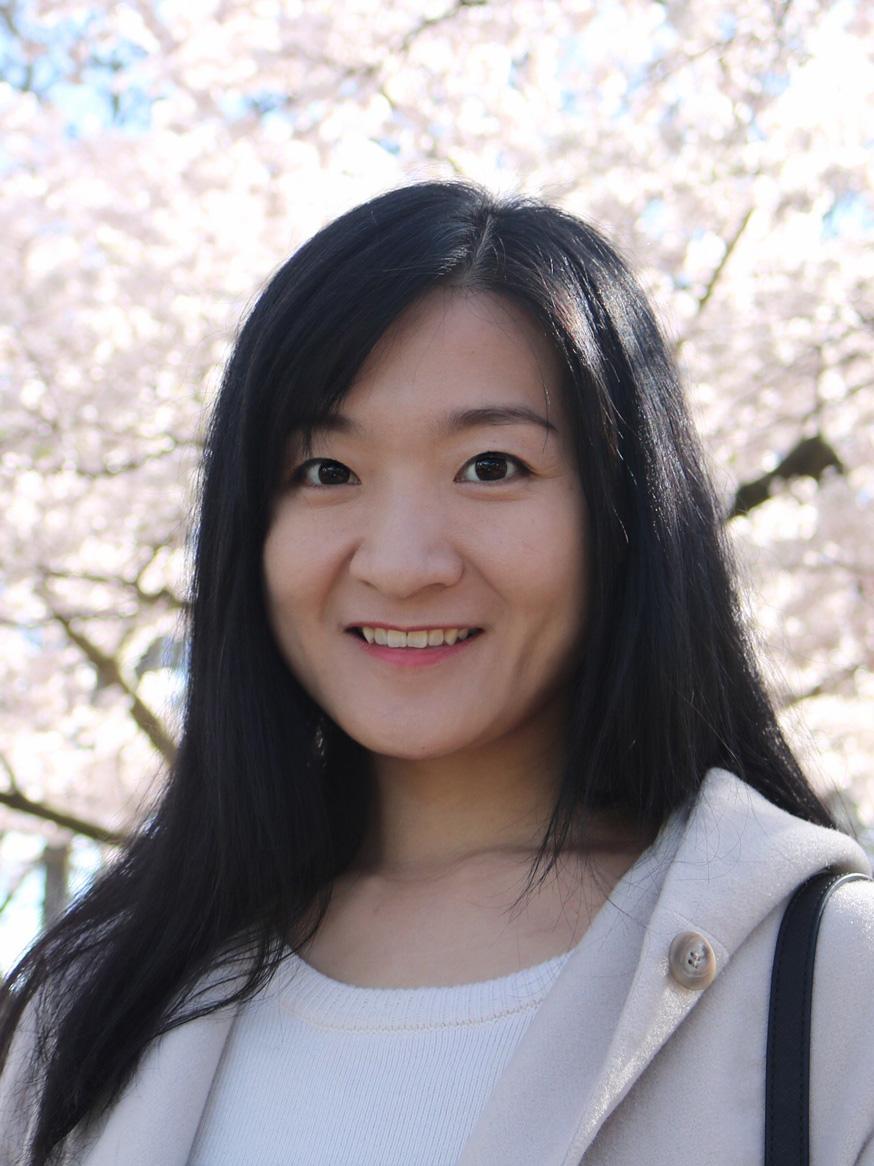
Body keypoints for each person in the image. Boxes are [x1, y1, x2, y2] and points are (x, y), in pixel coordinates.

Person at [1, 181, 872, 1166]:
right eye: (326, 471)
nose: (403, 561)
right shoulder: (87, 1011)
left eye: (491, 465)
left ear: (626, 515)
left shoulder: (832, 981)